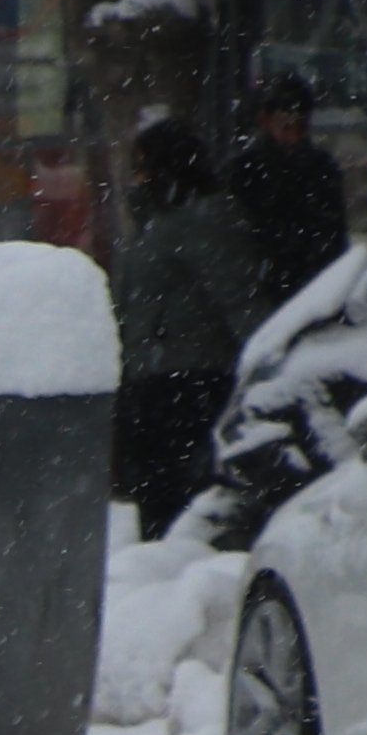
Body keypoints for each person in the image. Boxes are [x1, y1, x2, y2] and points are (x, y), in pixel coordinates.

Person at [108, 115, 239, 533]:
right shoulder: (154, 226)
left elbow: (238, 298)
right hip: (154, 381)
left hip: (187, 382)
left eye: (143, 166)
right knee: (158, 501)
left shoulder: (196, 224)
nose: (137, 177)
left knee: (174, 502)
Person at [218, 61, 355, 333]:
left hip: (296, 288)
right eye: (286, 125)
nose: (293, 136)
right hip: (275, 289)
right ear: (266, 119)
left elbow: (332, 237)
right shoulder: (244, 171)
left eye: (300, 126)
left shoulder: (318, 169)